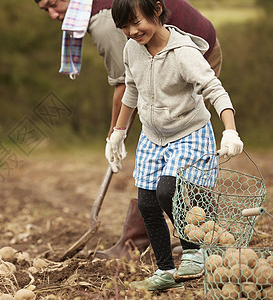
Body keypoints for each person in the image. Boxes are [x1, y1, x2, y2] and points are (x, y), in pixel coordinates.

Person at [35, 0, 223, 260]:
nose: (54, 14)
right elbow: (134, 83)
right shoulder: (101, 15)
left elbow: (124, 86)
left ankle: (193, 240)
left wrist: (114, 133)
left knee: (181, 154)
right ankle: (153, 236)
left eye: (53, 4)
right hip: (161, 60)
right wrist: (118, 133)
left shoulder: (103, 21)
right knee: (155, 158)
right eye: (46, 10)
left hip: (195, 54)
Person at [108, 0, 243, 290]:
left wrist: (230, 131)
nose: (132, 31)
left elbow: (215, 91)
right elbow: (132, 90)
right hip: (152, 136)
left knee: (168, 190)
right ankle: (167, 272)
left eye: (136, 22)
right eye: (124, 27)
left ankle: (194, 250)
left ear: (156, 9)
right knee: (146, 203)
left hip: (188, 132)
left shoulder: (183, 53)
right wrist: (118, 133)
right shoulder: (132, 49)